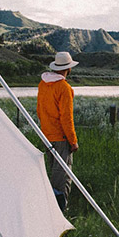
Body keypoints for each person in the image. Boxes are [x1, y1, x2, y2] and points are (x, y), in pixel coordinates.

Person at [37, 51, 79, 212]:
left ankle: (50, 210)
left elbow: (40, 111)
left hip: (46, 136)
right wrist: (73, 141)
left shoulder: (43, 84)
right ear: (68, 69)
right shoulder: (64, 87)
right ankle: (61, 213)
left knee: (53, 173)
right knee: (62, 177)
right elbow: (66, 118)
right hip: (61, 138)